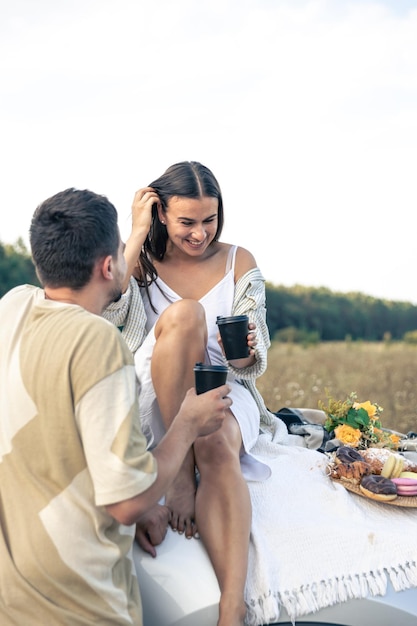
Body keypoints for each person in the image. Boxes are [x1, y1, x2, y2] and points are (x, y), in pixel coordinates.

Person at [0, 187, 232, 626]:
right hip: (79, 606)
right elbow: (124, 503)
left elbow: (54, 429)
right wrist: (186, 424)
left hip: (11, 602)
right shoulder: (98, 342)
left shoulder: (11, 309)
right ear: (109, 266)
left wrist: (146, 508)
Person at [103, 161, 275, 626]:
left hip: (222, 383)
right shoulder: (138, 260)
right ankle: (179, 474)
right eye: (186, 222)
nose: (200, 234)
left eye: (209, 220)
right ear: (161, 214)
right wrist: (136, 232)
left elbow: (249, 359)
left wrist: (246, 352)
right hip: (158, 389)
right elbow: (107, 314)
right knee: (184, 315)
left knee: (217, 444)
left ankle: (231, 609)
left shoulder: (240, 260)